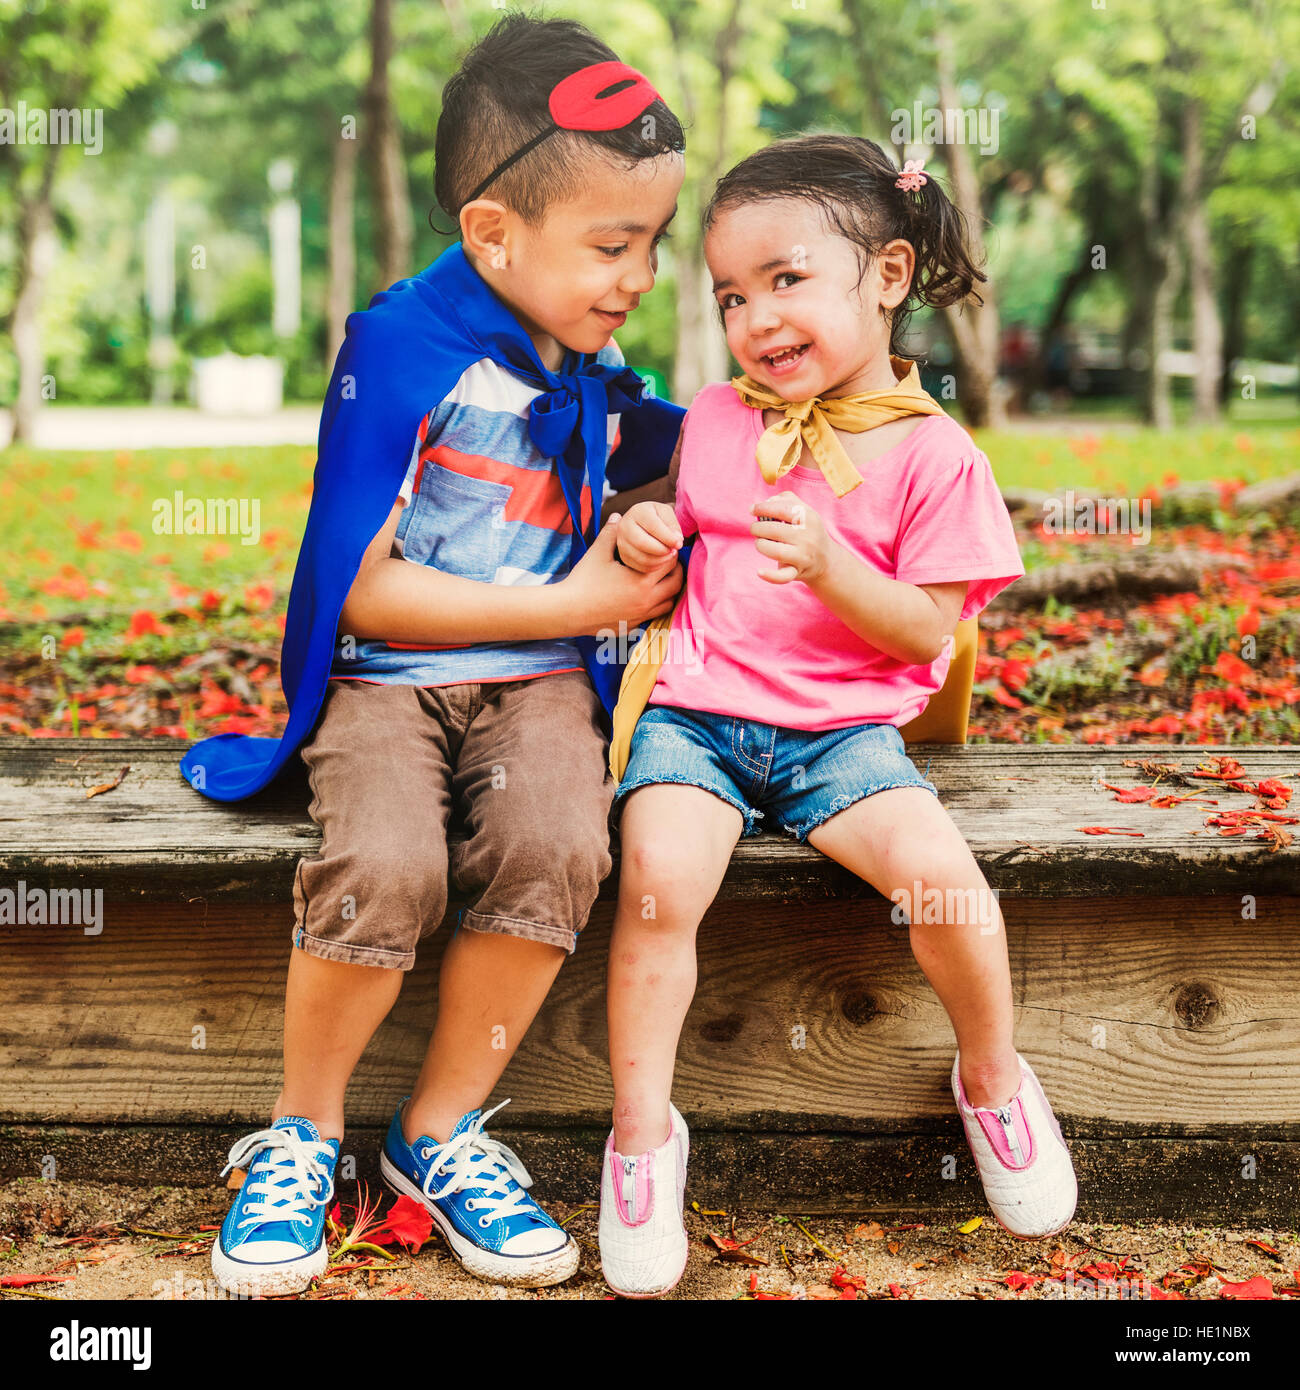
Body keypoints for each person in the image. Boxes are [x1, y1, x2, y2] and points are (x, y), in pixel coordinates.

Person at [198, 14, 686, 1296]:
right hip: (385, 681)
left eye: (653, 242)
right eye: (612, 244)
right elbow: (360, 593)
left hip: (532, 691)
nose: (638, 274)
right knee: (388, 860)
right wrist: (575, 600)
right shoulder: (396, 350)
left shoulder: (584, 348)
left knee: (559, 845)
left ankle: (436, 1132)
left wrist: (661, 517)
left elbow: (653, 453)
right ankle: (301, 1134)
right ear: (491, 233)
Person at [598, 135, 1076, 1298]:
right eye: (729, 294)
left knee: (948, 885)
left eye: (787, 278)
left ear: (890, 275)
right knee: (659, 882)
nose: (755, 316)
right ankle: (640, 1139)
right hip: (699, 717)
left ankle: (994, 1077)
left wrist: (828, 566)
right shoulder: (715, 414)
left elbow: (929, 632)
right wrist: (639, 533)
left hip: (842, 737)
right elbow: (665, 516)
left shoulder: (934, 456)